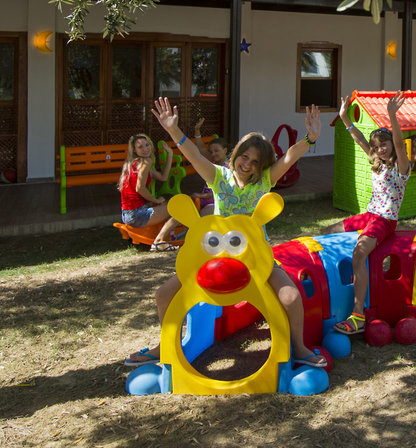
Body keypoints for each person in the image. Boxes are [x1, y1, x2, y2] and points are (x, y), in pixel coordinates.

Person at [125, 97, 326, 368]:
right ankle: (164, 345)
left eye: (256, 161)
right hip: (215, 253)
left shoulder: (265, 181)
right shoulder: (218, 176)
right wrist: (173, 129)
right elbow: (193, 155)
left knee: (291, 296)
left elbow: (289, 157)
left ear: (263, 166)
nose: (248, 164)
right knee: (163, 294)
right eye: (245, 156)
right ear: (236, 154)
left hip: (255, 256)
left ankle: (299, 348)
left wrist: (311, 138)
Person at [325, 91, 412, 335]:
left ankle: (358, 315)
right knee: (327, 231)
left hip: (385, 220)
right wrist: (344, 117)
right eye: (376, 146)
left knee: (359, 253)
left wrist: (392, 115)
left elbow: (399, 144)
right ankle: (329, 282)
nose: (380, 149)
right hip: (369, 216)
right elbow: (359, 138)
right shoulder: (378, 163)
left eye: (383, 144)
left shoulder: (402, 167)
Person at [118, 133, 179, 250]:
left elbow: (163, 177)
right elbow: (140, 188)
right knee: (178, 209)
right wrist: (156, 200)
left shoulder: (134, 163)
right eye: (140, 147)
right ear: (134, 150)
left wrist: (170, 154)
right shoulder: (146, 162)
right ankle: (159, 241)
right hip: (137, 214)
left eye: (147, 145)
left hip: (127, 214)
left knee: (167, 204)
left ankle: (167, 235)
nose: (145, 149)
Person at [190, 118, 229, 216]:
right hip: (203, 201)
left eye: (216, 151)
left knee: (201, 220)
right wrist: (197, 130)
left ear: (225, 150)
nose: (213, 154)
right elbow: (201, 148)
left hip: (217, 203)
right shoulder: (213, 160)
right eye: (211, 151)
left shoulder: (228, 167)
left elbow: (223, 191)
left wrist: (201, 195)